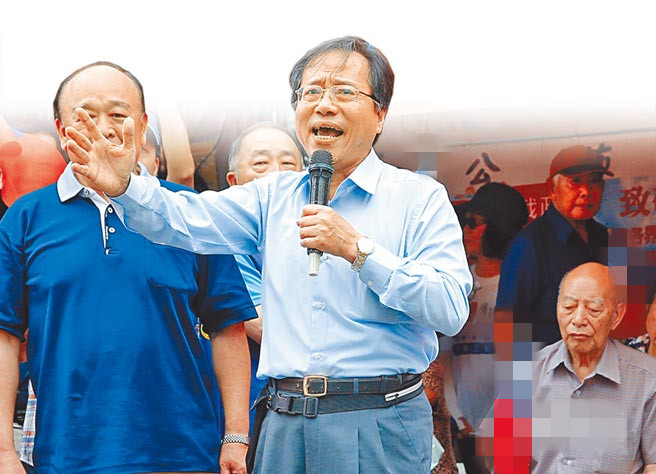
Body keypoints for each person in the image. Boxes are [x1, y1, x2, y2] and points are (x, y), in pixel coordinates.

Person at [65, 37, 472, 473]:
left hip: (376, 419)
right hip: (284, 419)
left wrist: (358, 251)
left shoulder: (418, 198)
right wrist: (127, 186)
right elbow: (184, 218)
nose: (324, 105)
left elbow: (449, 309)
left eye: (344, 92)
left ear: (380, 113)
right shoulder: (271, 197)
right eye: (311, 92)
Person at [0, 61, 255, 474]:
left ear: (143, 124)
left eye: (118, 114)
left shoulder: (188, 213)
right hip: (69, 455)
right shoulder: (26, 219)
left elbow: (229, 326)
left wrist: (236, 437)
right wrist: (4, 452)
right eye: (85, 115)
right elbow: (5, 336)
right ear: (62, 129)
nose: (103, 128)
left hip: (185, 454)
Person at [532, 262, 656, 472]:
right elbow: (501, 455)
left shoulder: (648, 379)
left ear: (616, 315)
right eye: (569, 307)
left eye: (594, 309)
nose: (578, 320)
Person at [440, 182, 528, 473]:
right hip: (467, 429)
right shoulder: (457, 283)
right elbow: (443, 355)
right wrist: (457, 415)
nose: (465, 230)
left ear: (499, 229)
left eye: (473, 223)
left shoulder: (523, 285)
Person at [224, 121, 304, 433]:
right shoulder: (225, 241)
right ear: (234, 182)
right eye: (260, 163)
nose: (277, 174)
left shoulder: (323, 231)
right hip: (261, 406)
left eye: (288, 164)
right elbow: (267, 327)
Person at [496, 145, 611, 344]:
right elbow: (508, 318)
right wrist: (519, 365)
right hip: (547, 361)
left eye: (594, 182)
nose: (586, 191)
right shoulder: (529, 243)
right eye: (575, 182)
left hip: (598, 359)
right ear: (551, 189)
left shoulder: (604, 237)